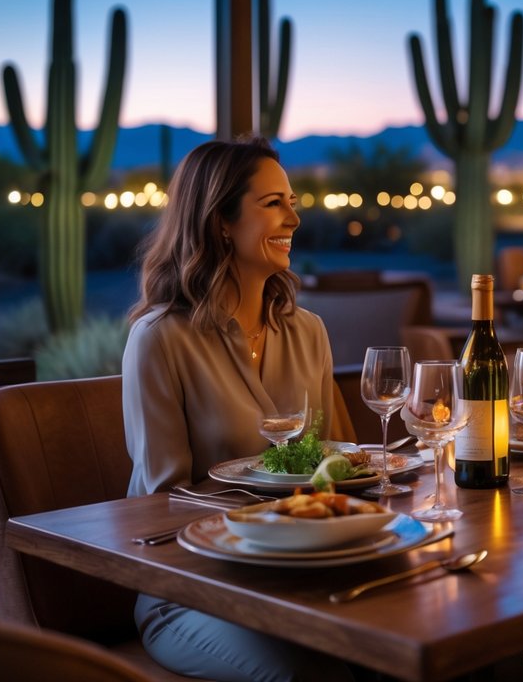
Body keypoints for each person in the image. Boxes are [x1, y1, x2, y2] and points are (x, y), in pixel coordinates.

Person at [122, 137, 356, 682]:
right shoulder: (158, 339)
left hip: (305, 575)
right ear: (220, 221)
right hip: (192, 591)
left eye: (292, 201)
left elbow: (343, 467)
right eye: (273, 203)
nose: (294, 218)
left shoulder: (308, 331)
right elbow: (163, 504)